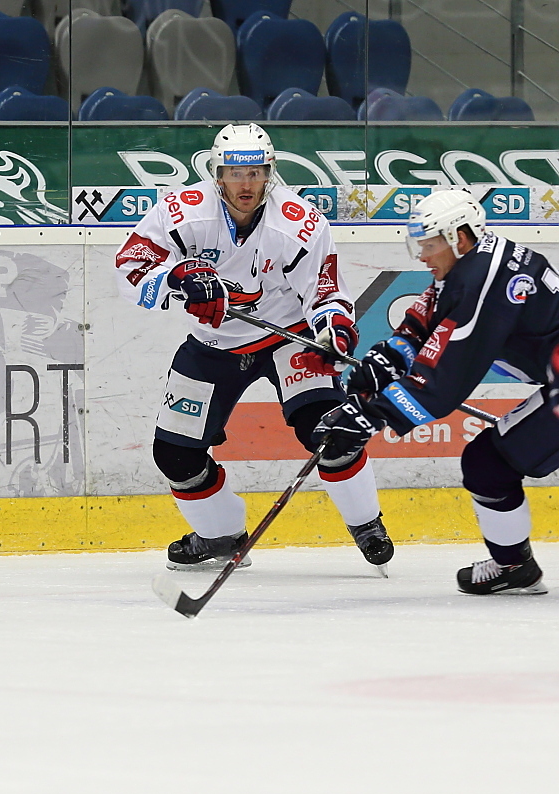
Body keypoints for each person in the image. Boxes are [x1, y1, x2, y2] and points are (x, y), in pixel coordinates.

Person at [115, 123, 392, 573]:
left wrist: (334, 330)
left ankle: (366, 524)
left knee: (329, 432)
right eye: (235, 173)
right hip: (214, 345)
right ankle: (222, 535)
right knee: (175, 456)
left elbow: (325, 291)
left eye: (256, 172)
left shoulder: (299, 223)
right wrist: (175, 278)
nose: (246, 184)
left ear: (269, 172)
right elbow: (131, 266)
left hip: (288, 336)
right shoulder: (182, 213)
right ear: (217, 174)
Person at [314, 188, 559, 595]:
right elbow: (425, 322)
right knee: (488, 463)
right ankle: (513, 565)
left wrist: (367, 416)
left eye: (429, 245)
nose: (422, 256)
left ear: (458, 237)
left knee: (489, 463)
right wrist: (384, 361)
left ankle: (514, 566)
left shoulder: (482, 283)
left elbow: (442, 385)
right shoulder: (475, 263)